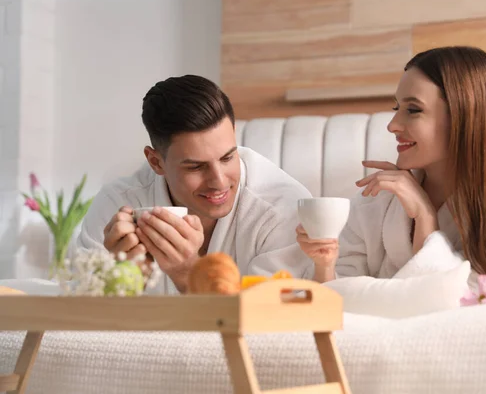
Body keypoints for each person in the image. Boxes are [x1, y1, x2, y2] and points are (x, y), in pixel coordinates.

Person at [297, 46, 486, 283]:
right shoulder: (376, 200)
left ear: (465, 117)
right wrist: (325, 264)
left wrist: (425, 218)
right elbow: (335, 301)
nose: (392, 126)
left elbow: (485, 305)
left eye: (413, 110)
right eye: (396, 109)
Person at [77, 75, 313, 293]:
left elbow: (270, 325)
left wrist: (188, 272)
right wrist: (116, 279)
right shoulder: (118, 203)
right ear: (156, 162)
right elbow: (74, 312)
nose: (219, 181)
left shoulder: (284, 208)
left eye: (228, 157)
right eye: (196, 167)